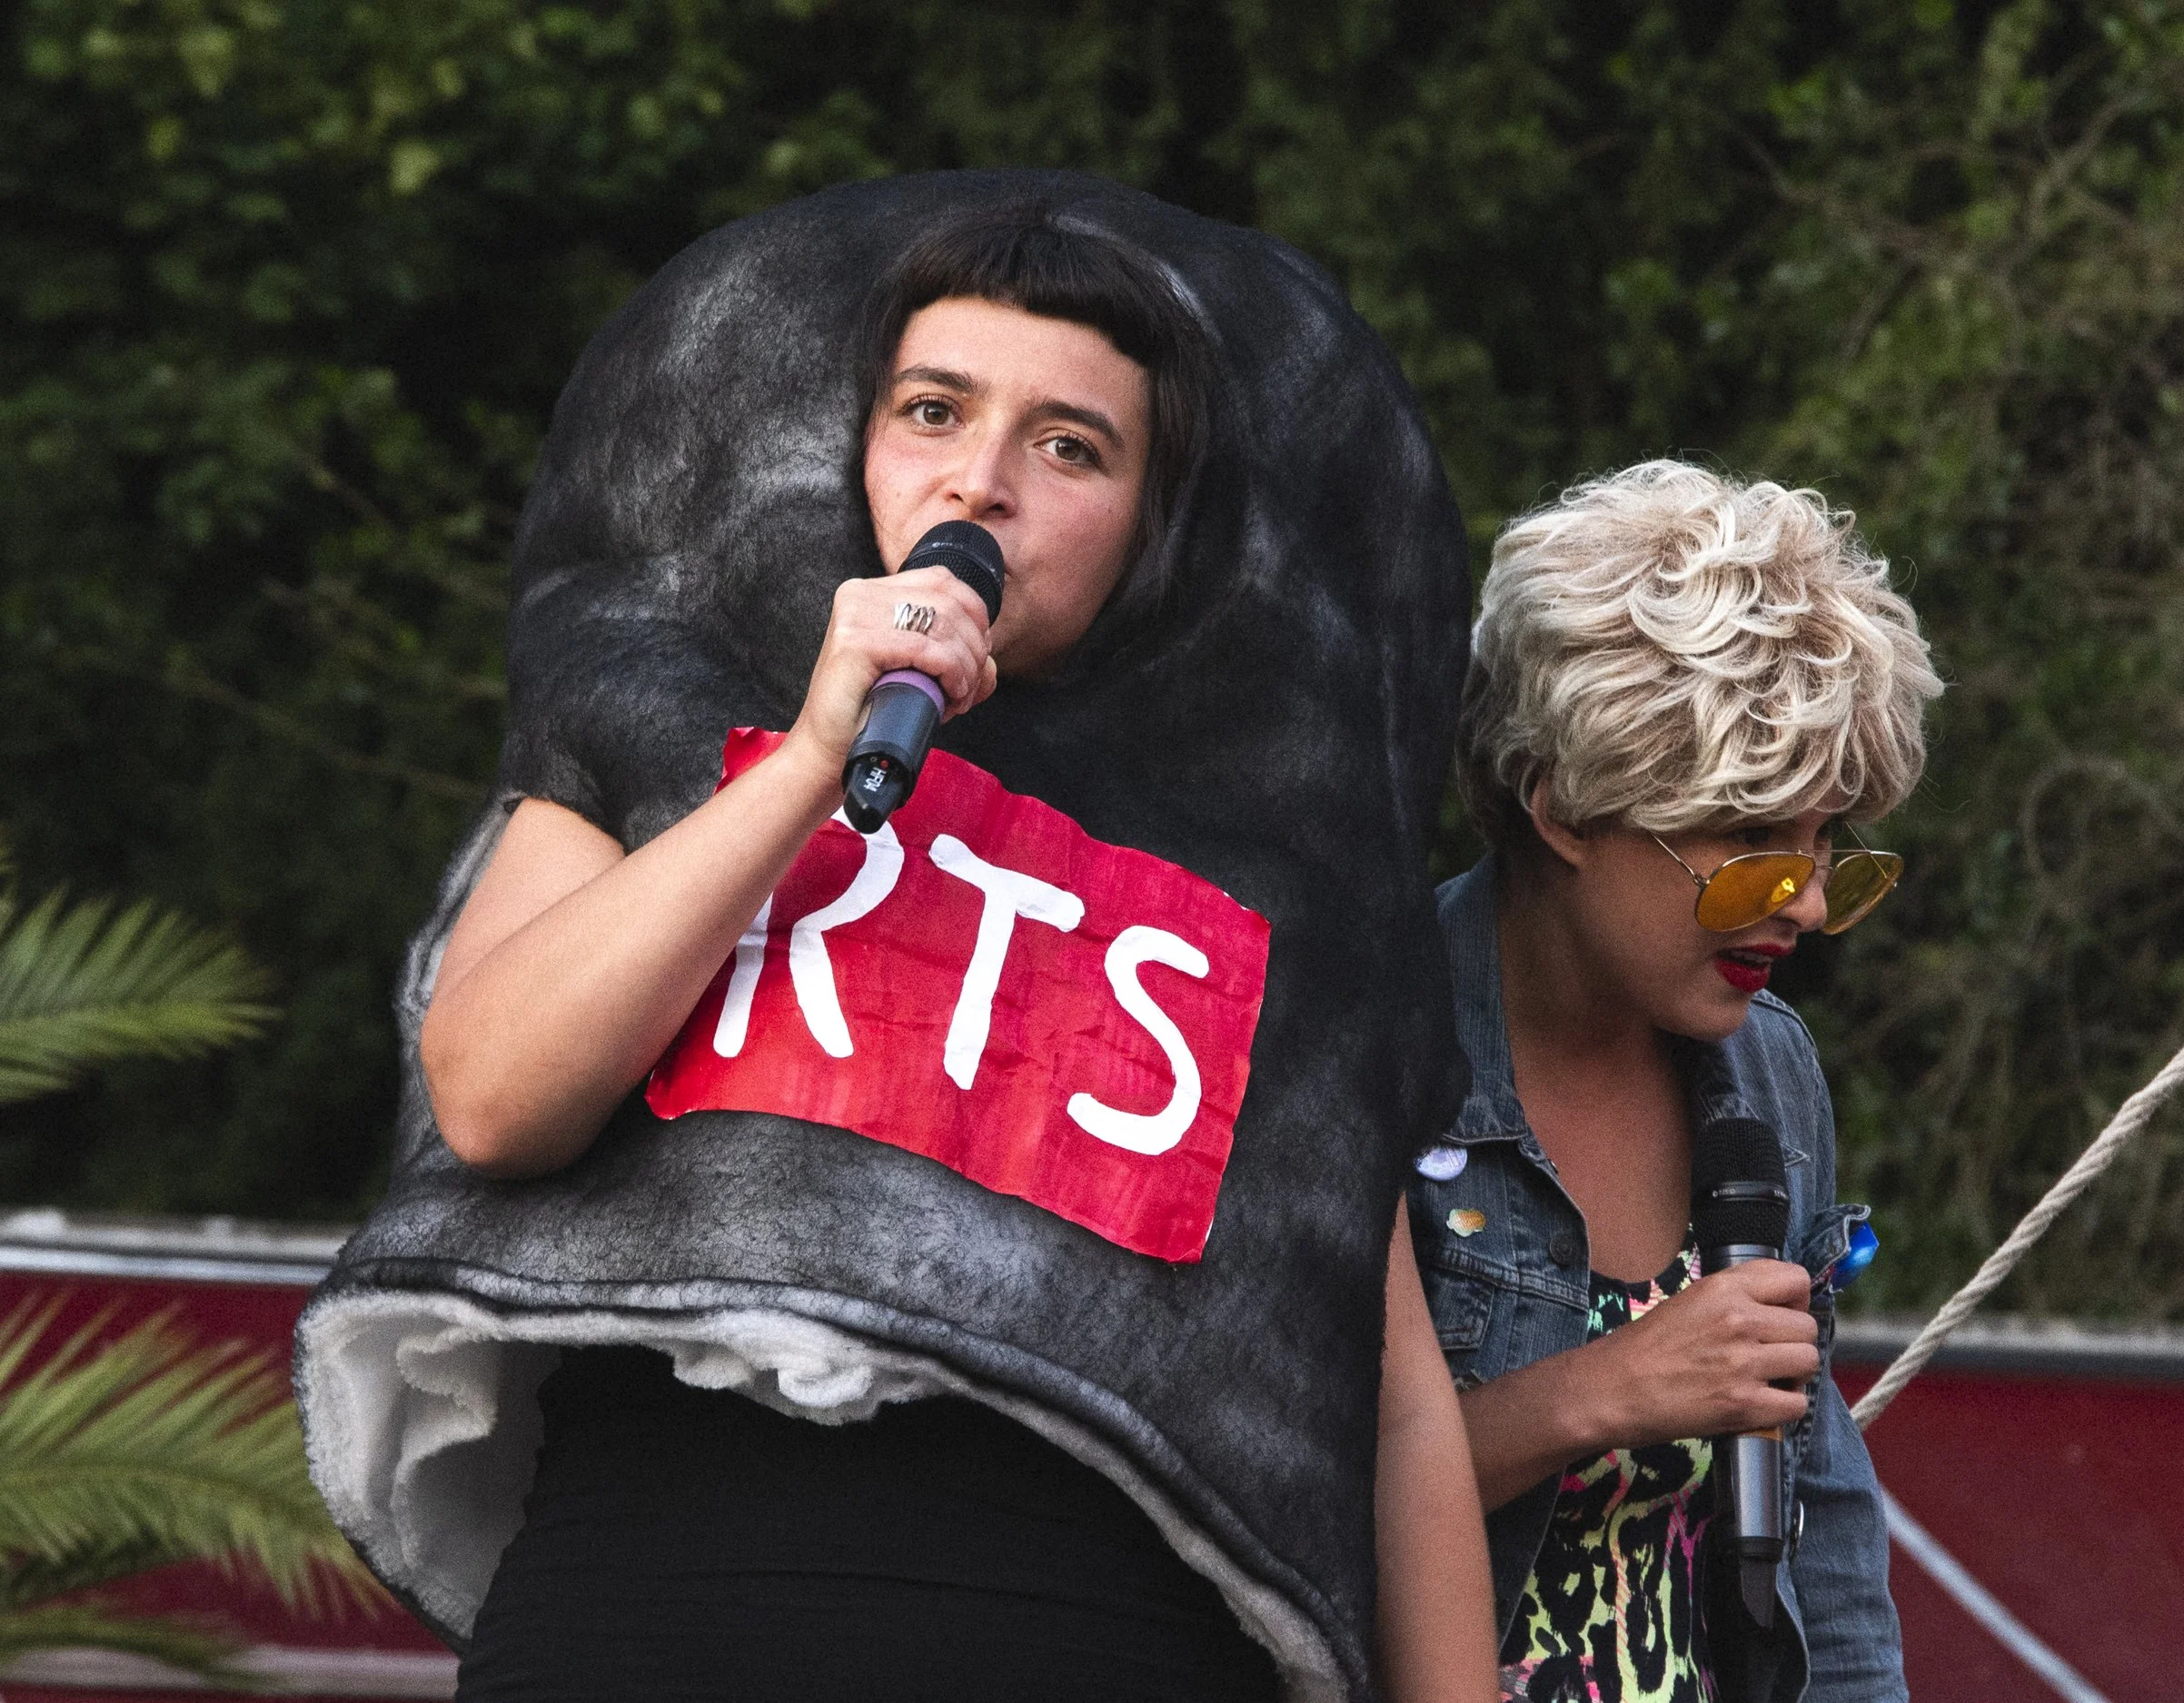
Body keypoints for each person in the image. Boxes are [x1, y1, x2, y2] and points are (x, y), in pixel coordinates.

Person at [296, 177, 1495, 1703]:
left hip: (1099, 1634)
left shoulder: (1284, 890)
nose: (979, 481)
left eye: (1070, 445)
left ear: (1154, 522)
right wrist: (804, 762)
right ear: (858, 443)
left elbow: (1377, 1393)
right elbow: (493, 1091)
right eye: (933, 411)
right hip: (646, 1607)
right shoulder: (661, 720)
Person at [1409, 461, 1940, 1703]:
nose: (1806, 904)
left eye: (1830, 846)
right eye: (1752, 844)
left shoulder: (1771, 1066)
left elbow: (1823, 1526)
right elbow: (1271, 1509)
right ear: (1563, 807)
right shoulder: (1363, 1051)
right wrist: (1596, 1392)